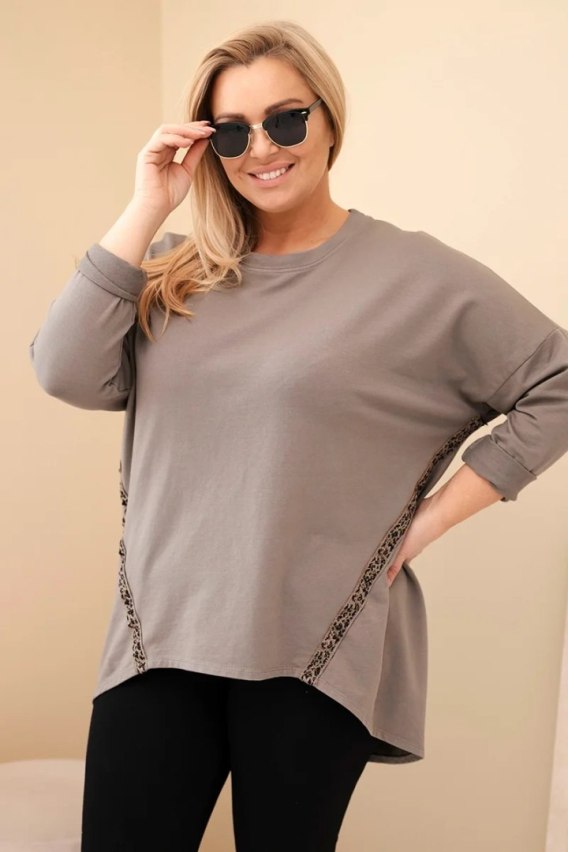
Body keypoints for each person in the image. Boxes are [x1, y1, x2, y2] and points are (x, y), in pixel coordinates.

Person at [28, 18, 568, 852]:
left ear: (327, 118)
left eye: (286, 120)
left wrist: (426, 521)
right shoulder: (174, 270)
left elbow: (556, 381)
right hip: (157, 640)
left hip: (313, 645)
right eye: (232, 131)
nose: (262, 149)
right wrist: (148, 204)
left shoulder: (417, 277)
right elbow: (63, 370)